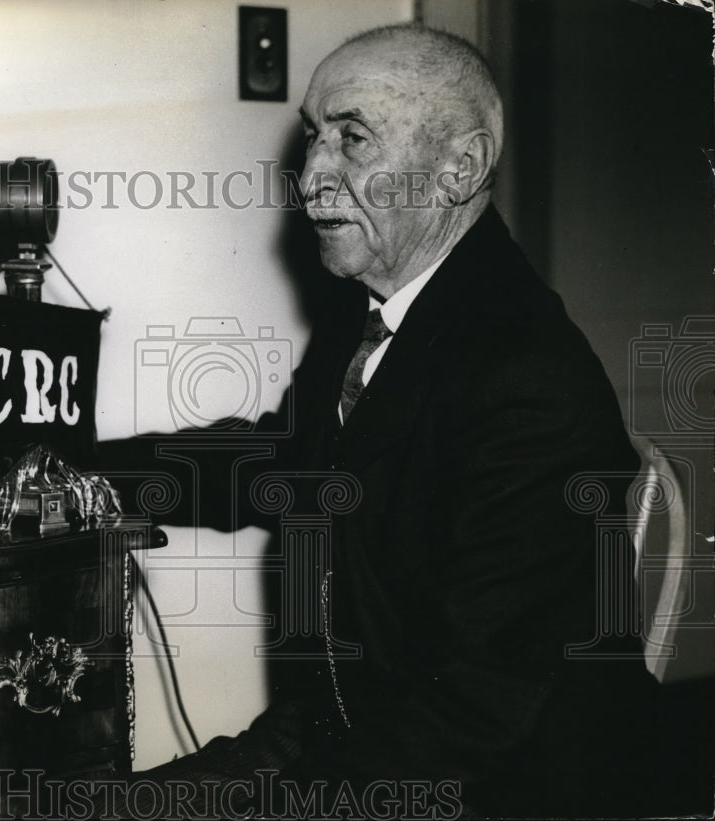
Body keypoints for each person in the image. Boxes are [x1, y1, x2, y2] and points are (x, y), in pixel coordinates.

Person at [94, 23, 703, 819]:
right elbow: (282, 462)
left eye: (353, 138)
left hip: (501, 786)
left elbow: (471, 718)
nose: (311, 176)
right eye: (314, 137)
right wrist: (84, 471)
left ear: (461, 168)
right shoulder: (374, 318)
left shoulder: (528, 377)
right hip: (343, 732)